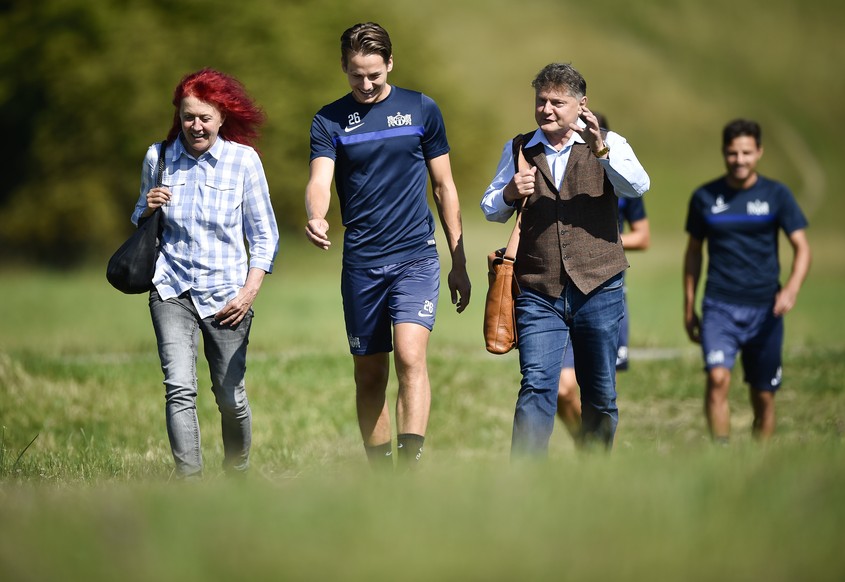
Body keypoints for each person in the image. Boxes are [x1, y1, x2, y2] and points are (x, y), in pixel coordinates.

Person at [305, 22, 471, 470]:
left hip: (416, 256)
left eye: (374, 75)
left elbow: (445, 187)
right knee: (370, 372)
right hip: (362, 263)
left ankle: (409, 466)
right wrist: (316, 215)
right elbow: (320, 179)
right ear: (344, 66)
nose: (365, 84)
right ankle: (380, 473)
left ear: (390, 64)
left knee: (410, 355)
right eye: (356, 74)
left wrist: (458, 259)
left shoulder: (421, 110)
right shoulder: (328, 119)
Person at [481, 63, 650, 457]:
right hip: (538, 290)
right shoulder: (520, 148)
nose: (547, 109)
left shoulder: (608, 142)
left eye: (557, 102)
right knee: (537, 384)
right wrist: (509, 192)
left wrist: (601, 150)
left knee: (600, 391)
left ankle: (594, 475)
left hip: (599, 287)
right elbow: (490, 207)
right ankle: (524, 485)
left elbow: (638, 186)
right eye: (541, 101)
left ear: (581, 104)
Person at [132, 68, 280, 478]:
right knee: (179, 387)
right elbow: (137, 219)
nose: (195, 126)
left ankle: (238, 472)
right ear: (178, 116)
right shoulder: (158, 157)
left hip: (227, 294)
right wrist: (147, 206)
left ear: (222, 117)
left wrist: (249, 292)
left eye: (204, 118)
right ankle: (189, 483)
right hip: (171, 288)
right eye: (187, 117)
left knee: (230, 396)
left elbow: (264, 235)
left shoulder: (243, 162)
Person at [683, 118, 811, 442]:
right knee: (717, 378)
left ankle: (759, 462)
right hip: (719, 307)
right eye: (732, 153)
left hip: (766, 309)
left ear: (759, 152)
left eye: (746, 153)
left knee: (764, 395)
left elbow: (802, 248)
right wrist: (689, 305)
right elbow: (694, 253)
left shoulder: (777, 195)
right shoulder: (704, 198)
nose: (739, 160)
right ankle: (722, 458)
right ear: (724, 153)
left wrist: (792, 290)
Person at [555, 113, 650, 444]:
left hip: (605, 287)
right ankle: (587, 448)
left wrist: (597, 246)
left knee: (600, 390)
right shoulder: (556, 172)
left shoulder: (620, 176)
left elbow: (644, 236)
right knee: (561, 389)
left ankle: (596, 457)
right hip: (559, 289)